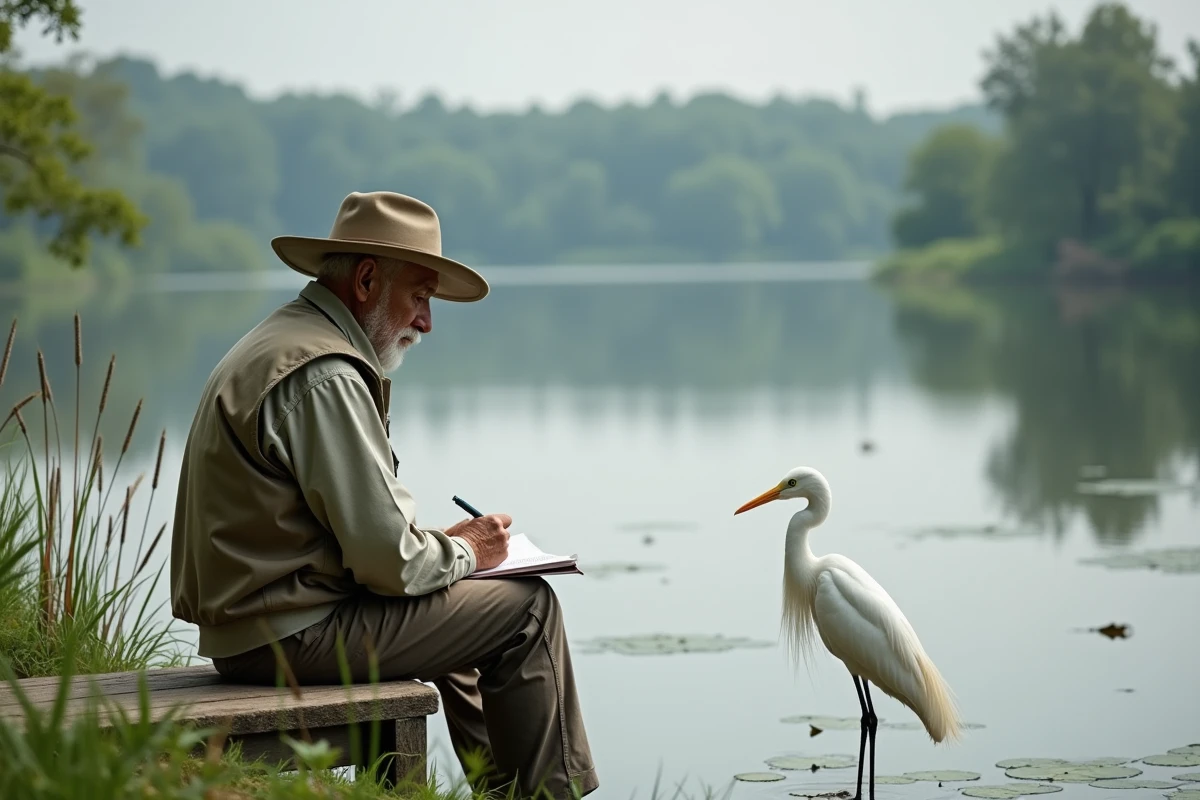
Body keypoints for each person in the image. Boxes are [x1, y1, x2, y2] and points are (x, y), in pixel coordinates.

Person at [169, 191, 597, 799]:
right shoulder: (325, 374)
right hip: (288, 638)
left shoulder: (287, 339)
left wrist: (446, 555)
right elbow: (391, 561)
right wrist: (470, 552)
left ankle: (499, 791)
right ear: (367, 279)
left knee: (458, 592)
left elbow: (360, 543)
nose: (426, 321)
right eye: (420, 296)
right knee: (527, 607)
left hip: (261, 626)